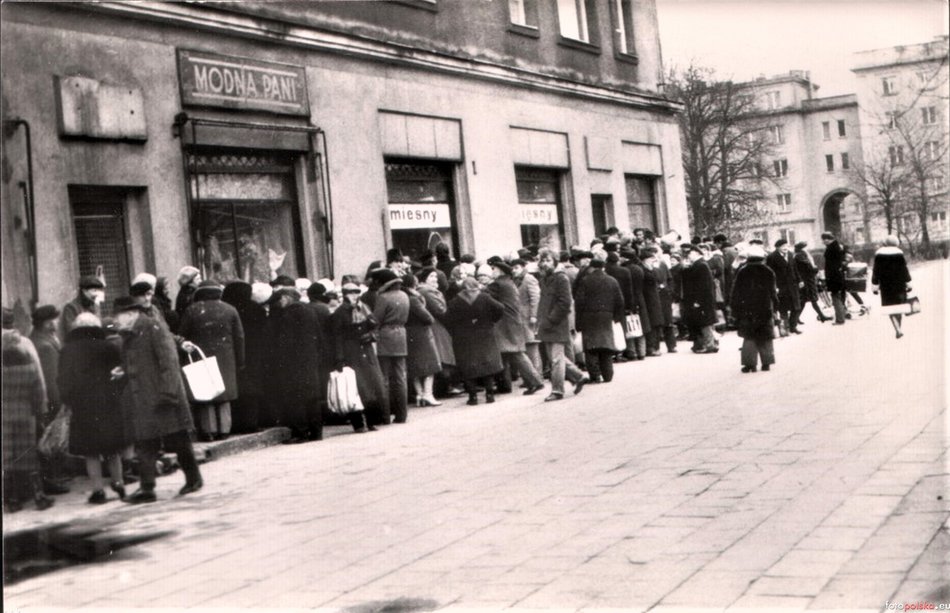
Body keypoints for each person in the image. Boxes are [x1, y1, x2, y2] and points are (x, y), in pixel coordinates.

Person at [112, 296, 203, 503]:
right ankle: (147, 488)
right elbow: (137, 363)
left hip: (163, 397)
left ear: (130, 314)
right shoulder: (130, 334)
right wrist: (123, 371)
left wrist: (169, 394)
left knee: (178, 440)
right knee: (146, 442)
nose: (115, 321)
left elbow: (169, 362)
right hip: (145, 397)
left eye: (117, 317)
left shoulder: (154, 328)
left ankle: (193, 478)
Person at [58, 313, 128, 504]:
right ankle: (119, 483)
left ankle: (98, 490)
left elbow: (63, 381)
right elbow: (121, 374)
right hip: (109, 403)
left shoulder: (68, 350)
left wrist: (68, 401)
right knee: (113, 447)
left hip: (83, 406)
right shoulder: (108, 346)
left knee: (91, 451)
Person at [178, 280, 245, 441]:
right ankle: (224, 429)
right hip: (226, 357)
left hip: (201, 356)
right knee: (223, 392)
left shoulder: (192, 310)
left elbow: (182, 333)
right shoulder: (230, 310)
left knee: (206, 393)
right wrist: (240, 361)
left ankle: (209, 430)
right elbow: (239, 337)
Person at [2, 309, 54, 512]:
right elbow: (39, 380)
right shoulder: (25, 345)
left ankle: (12, 500)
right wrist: (41, 406)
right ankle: (38, 496)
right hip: (26, 411)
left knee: (6, 456)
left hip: (4, 412)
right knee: (27, 453)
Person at [271, 287, 326, 441]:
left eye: (281, 299)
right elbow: (319, 337)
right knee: (312, 397)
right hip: (310, 360)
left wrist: (280, 360)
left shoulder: (288, 314)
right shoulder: (309, 311)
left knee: (295, 397)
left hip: (293, 363)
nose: (279, 303)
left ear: (287, 298)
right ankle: (316, 432)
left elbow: (285, 342)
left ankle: (300, 432)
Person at [330, 283, 385, 431]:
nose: (354, 295)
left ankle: (372, 420)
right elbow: (337, 337)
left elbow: (375, 325)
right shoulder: (340, 313)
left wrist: (372, 335)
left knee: (372, 385)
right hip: (351, 353)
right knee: (355, 387)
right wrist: (340, 358)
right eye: (350, 292)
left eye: (356, 292)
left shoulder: (364, 308)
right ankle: (358, 423)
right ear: (344, 294)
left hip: (366, 351)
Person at [486, 258, 545, 396]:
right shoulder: (509, 282)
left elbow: (483, 294)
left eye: (493, 269)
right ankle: (504, 385)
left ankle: (535, 381)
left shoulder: (498, 284)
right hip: (511, 323)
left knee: (515, 354)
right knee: (505, 353)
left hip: (505, 324)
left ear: (500, 271)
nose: (491, 272)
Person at [29, 305, 71, 496]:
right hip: (52, 400)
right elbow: (52, 378)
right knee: (53, 439)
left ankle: (56, 475)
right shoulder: (44, 345)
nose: (55, 323)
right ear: (46, 323)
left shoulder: (38, 339)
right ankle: (55, 478)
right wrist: (61, 401)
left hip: (45, 401)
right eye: (53, 320)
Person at [537, 249, 589, 402]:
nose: (544, 263)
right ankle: (579, 377)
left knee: (556, 359)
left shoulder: (561, 278)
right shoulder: (545, 278)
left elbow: (565, 302)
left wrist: (551, 319)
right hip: (547, 322)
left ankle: (557, 390)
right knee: (557, 357)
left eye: (547, 260)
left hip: (557, 323)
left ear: (554, 261)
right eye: (542, 260)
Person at [444, 277, 505, 405]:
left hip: (463, 337)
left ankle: (473, 397)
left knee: (467, 365)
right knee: (486, 363)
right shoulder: (485, 297)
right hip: (485, 334)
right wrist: (491, 320)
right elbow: (500, 308)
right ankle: (489, 395)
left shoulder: (455, 301)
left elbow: (447, 319)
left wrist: (456, 330)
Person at [221, 281, 269, 433]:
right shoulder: (256, 309)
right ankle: (251, 422)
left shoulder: (226, 309)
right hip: (254, 353)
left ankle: (235, 423)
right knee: (252, 387)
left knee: (236, 388)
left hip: (232, 353)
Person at [574, 258, 625, 383]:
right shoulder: (612, 281)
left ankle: (595, 375)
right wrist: (616, 317)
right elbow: (620, 301)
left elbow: (579, 302)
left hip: (589, 316)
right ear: (604, 267)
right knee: (606, 346)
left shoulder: (585, 281)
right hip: (607, 316)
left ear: (591, 267)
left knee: (591, 347)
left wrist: (578, 321)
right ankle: (608, 374)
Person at [730, 246, 779, 373]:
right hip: (765, 308)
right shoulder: (768, 271)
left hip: (747, 309)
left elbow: (735, 292)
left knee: (749, 337)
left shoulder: (742, 271)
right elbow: (773, 292)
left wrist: (734, 309)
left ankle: (749, 364)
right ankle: (766, 363)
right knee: (765, 336)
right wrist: (776, 306)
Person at [372, 268, 410, 424]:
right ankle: (402, 414)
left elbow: (376, 319)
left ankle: (385, 415)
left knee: (384, 377)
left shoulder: (383, 298)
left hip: (385, 336)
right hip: (401, 334)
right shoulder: (404, 295)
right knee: (400, 377)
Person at [402, 273, 441, 407]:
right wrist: (430, 319)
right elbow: (426, 316)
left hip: (409, 334)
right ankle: (428, 394)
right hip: (421, 333)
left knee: (415, 367)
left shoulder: (403, 297)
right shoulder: (413, 299)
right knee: (430, 365)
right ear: (413, 283)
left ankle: (419, 394)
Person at [416, 267, 454, 398]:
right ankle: (442, 388)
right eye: (431, 276)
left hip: (436, 326)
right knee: (442, 356)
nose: (435, 279)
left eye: (435, 276)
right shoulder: (428, 292)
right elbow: (440, 310)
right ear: (424, 279)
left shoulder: (428, 291)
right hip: (436, 327)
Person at [871, 235, 912, 339]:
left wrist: (875, 285)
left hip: (886, 285)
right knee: (899, 307)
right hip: (899, 283)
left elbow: (876, 271)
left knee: (890, 307)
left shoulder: (879, 254)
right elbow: (904, 269)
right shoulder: (899, 253)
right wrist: (908, 282)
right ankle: (899, 328)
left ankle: (897, 329)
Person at [681, 244, 719, 353]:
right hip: (703, 299)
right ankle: (710, 344)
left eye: (691, 254)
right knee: (704, 322)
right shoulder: (698, 265)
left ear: (697, 253)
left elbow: (703, 286)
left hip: (702, 300)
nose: (689, 256)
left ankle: (710, 345)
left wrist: (698, 301)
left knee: (705, 323)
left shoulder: (701, 265)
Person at [511, 258, 543, 375]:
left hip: (528, 318)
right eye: (513, 268)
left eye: (516, 268)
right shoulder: (516, 280)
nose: (514, 270)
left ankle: (537, 374)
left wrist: (534, 315)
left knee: (532, 346)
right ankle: (530, 375)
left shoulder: (529, 279)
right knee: (526, 346)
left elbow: (536, 298)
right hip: (520, 318)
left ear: (523, 268)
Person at [766, 239, 802, 335]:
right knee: (783, 309)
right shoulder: (772, 257)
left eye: (786, 246)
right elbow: (769, 273)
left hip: (792, 285)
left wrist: (800, 280)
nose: (785, 248)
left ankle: (793, 326)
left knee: (796, 308)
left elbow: (795, 268)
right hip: (781, 286)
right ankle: (784, 329)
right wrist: (774, 286)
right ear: (778, 247)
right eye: (783, 246)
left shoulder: (790, 255)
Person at [793, 242, 830, 323]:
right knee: (809, 299)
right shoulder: (800, 256)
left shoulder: (801, 255)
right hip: (807, 281)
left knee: (805, 300)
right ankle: (821, 316)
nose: (807, 248)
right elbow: (809, 267)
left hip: (808, 280)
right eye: (805, 247)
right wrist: (815, 269)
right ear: (802, 248)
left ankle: (796, 319)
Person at [60, 275, 105, 340]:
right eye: (94, 290)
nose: (96, 294)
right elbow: (71, 331)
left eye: (98, 291)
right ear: (84, 291)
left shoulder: (96, 306)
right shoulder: (71, 308)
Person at [640, 250, 665, 356]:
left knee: (656, 324)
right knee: (651, 324)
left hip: (654, 299)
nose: (653, 261)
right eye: (651, 259)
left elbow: (660, 279)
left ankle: (656, 346)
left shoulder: (653, 269)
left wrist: (654, 268)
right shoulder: (643, 270)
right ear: (645, 260)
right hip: (647, 299)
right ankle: (651, 347)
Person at [822, 232, 848, 325]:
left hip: (834, 277)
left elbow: (831, 266)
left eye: (825, 239)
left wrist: (828, 278)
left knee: (835, 297)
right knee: (840, 296)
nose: (823, 241)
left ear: (828, 239)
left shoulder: (831, 249)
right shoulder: (838, 247)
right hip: (839, 275)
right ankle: (843, 315)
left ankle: (840, 319)